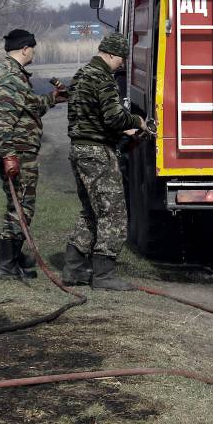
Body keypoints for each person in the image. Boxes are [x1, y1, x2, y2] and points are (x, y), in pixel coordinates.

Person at [63, 33, 146, 290]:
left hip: (79, 149)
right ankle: (104, 275)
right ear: (110, 54)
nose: (122, 64)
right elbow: (113, 118)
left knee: (90, 211)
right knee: (114, 213)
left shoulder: (81, 75)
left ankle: (74, 269)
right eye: (121, 59)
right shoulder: (103, 79)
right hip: (97, 153)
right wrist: (136, 123)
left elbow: (88, 115)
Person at [0, 29, 67, 280]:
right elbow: (1, 119)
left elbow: (28, 107)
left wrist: (53, 98)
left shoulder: (9, 73)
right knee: (23, 206)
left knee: (17, 202)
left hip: (13, 148)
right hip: (16, 150)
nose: (34, 52)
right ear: (25, 49)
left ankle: (15, 257)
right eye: (33, 48)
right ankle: (7, 266)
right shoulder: (12, 78)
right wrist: (9, 155)